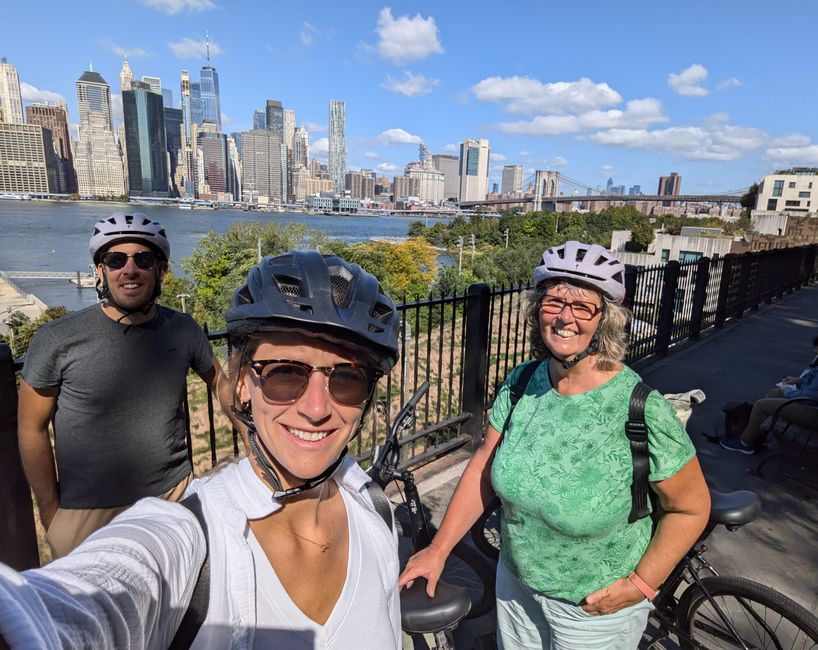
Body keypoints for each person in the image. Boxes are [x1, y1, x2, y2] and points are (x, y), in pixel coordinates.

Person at [0, 251, 403, 649]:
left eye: (348, 378)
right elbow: (88, 597)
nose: (316, 409)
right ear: (243, 382)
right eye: (285, 373)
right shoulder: (190, 534)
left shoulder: (373, 509)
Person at [400, 241, 711, 650]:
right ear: (536, 311)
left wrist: (641, 584)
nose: (565, 317)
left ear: (606, 321)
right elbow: (482, 467)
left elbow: (690, 507)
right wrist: (439, 549)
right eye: (553, 303)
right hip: (515, 585)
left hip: (594, 606)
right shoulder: (524, 381)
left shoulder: (641, 409)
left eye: (583, 307)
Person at [17, 211, 231, 558]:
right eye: (116, 260)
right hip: (87, 514)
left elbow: (220, 383)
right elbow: (31, 428)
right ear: (101, 271)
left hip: (171, 497)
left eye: (143, 259)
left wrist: (252, 438)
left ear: (161, 270)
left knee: (182, 607)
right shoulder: (56, 340)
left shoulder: (183, 329)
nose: (129, 269)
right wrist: (51, 513)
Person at [720, 328, 818, 455]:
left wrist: (788, 392)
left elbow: (810, 396)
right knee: (773, 393)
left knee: (761, 405)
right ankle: (757, 435)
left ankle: (745, 443)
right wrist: (799, 381)